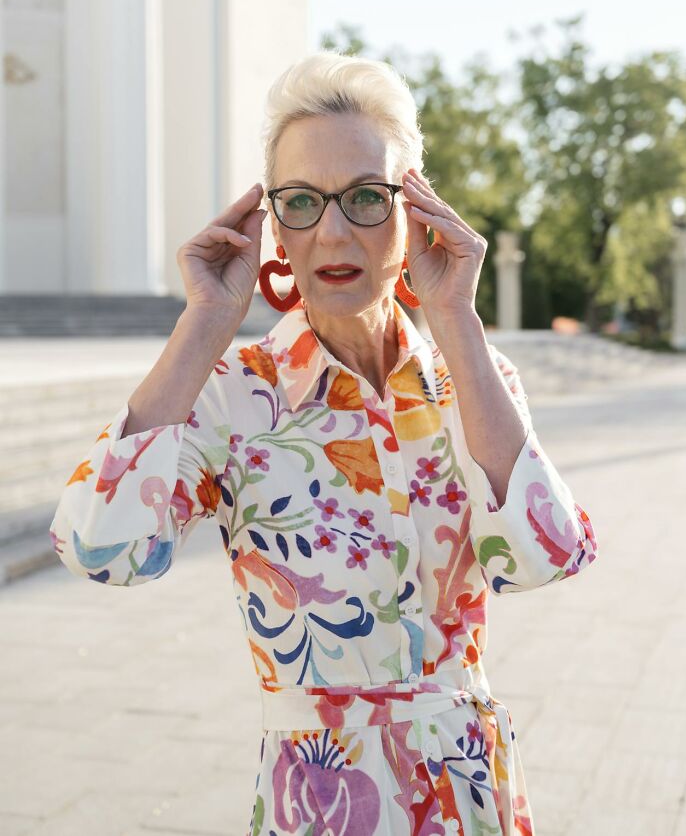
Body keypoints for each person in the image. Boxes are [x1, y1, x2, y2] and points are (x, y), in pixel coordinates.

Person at [49, 51, 598, 835]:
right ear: (272, 221)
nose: (333, 230)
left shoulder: (470, 375)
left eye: (367, 198)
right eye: (301, 201)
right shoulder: (235, 393)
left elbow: (544, 557)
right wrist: (203, 324)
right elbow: (100, 549)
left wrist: (460, 324)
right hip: (326, 798)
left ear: (414, 208)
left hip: (471, 788)